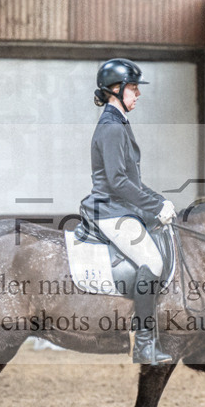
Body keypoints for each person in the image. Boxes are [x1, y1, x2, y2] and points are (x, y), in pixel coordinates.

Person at [80, 58, 176, 365]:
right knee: (152, 261)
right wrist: (154, 206)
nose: (138, 93)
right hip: (110, 210)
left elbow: (131, 180)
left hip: (122, 206)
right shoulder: (111, 127)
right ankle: (145, 344)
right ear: (116, 89)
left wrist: (158, 201)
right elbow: (117, 181)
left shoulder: (119, 122)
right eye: (133, 87)